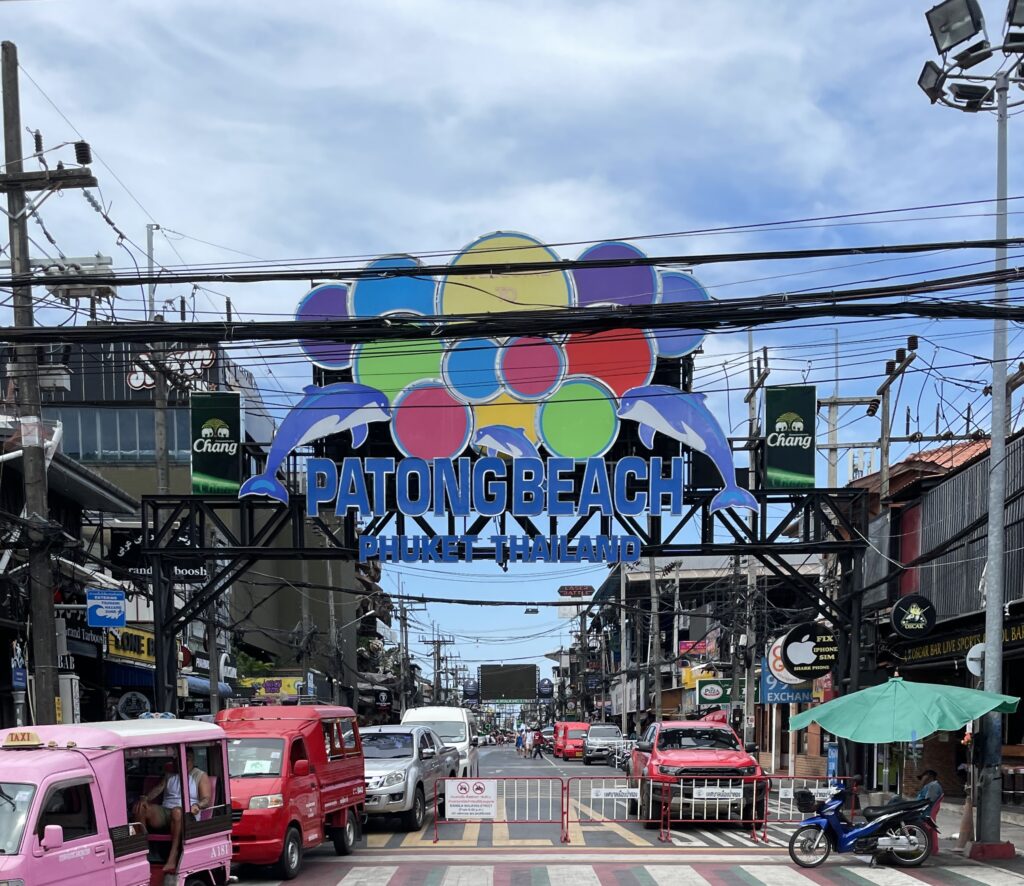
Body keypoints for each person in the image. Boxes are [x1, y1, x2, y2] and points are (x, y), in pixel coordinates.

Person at [135, 749, 211, 872]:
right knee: (141, 808)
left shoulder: (200, 775)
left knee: (177, 812)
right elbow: (158, 789)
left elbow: (206, 799)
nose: (184, 762)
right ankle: (141, 851)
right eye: (180, 759)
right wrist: (145, 799)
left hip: (188, 814)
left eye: (187, 759)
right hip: (166, 811)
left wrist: (198, 805)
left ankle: (173, 855)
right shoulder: (170, 775)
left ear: (193, 760)